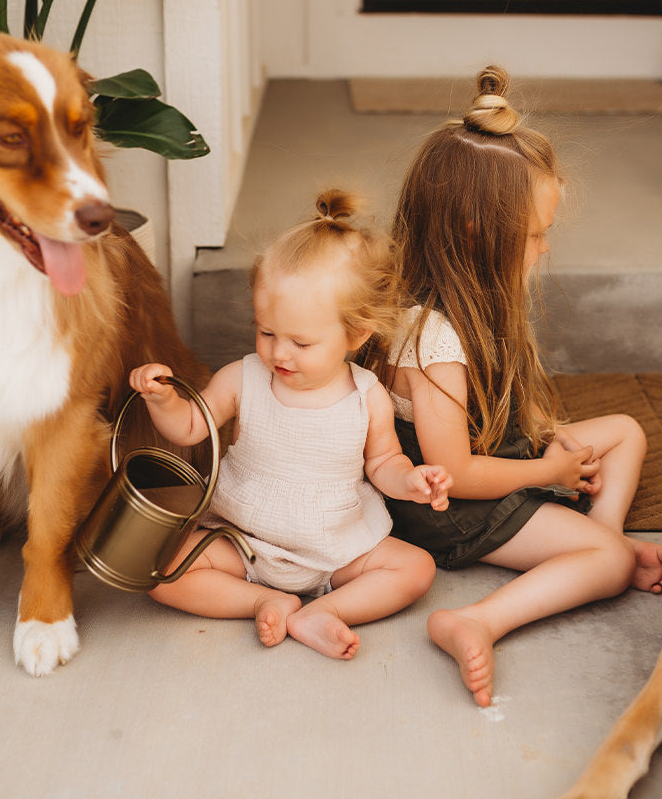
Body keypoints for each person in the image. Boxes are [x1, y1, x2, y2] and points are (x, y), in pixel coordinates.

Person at [364, 66, 662, 707]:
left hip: (499, 461)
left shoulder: (476, 298)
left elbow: (500, 415)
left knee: (623, 433)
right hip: (448, 509)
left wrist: (544, 443)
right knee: (612, 566)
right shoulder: (430, 336)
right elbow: (452, 471)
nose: (542, 250)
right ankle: (478, 620)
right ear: (482, 235)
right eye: (535, 236)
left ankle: (602, 536)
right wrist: (546, 473)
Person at [129, 190, 451, 661]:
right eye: (266, 332)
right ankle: (262, 599)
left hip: (336, 548)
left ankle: (326, 611)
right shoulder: (243, 377)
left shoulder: (366, 395)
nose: (279, 353)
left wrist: (411, 480)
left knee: (415, 569)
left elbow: (383, 461)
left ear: (356, 335)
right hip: (241, 538)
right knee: (162, 571)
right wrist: (164, 400)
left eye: (301, 342)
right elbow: (191, 427)